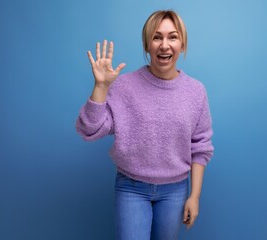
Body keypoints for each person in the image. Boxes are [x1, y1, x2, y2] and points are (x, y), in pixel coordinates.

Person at [76, 10, 214, 240]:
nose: (164, 45)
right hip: (131, 187)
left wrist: (195, 196)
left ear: (182, 44)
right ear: (147, 44)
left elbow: (200, 146)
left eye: (173, 37)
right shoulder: (124, 86)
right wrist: (100, 87)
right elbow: (89, 129)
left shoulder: (196, 92)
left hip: (175, 189)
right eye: (157, 37)